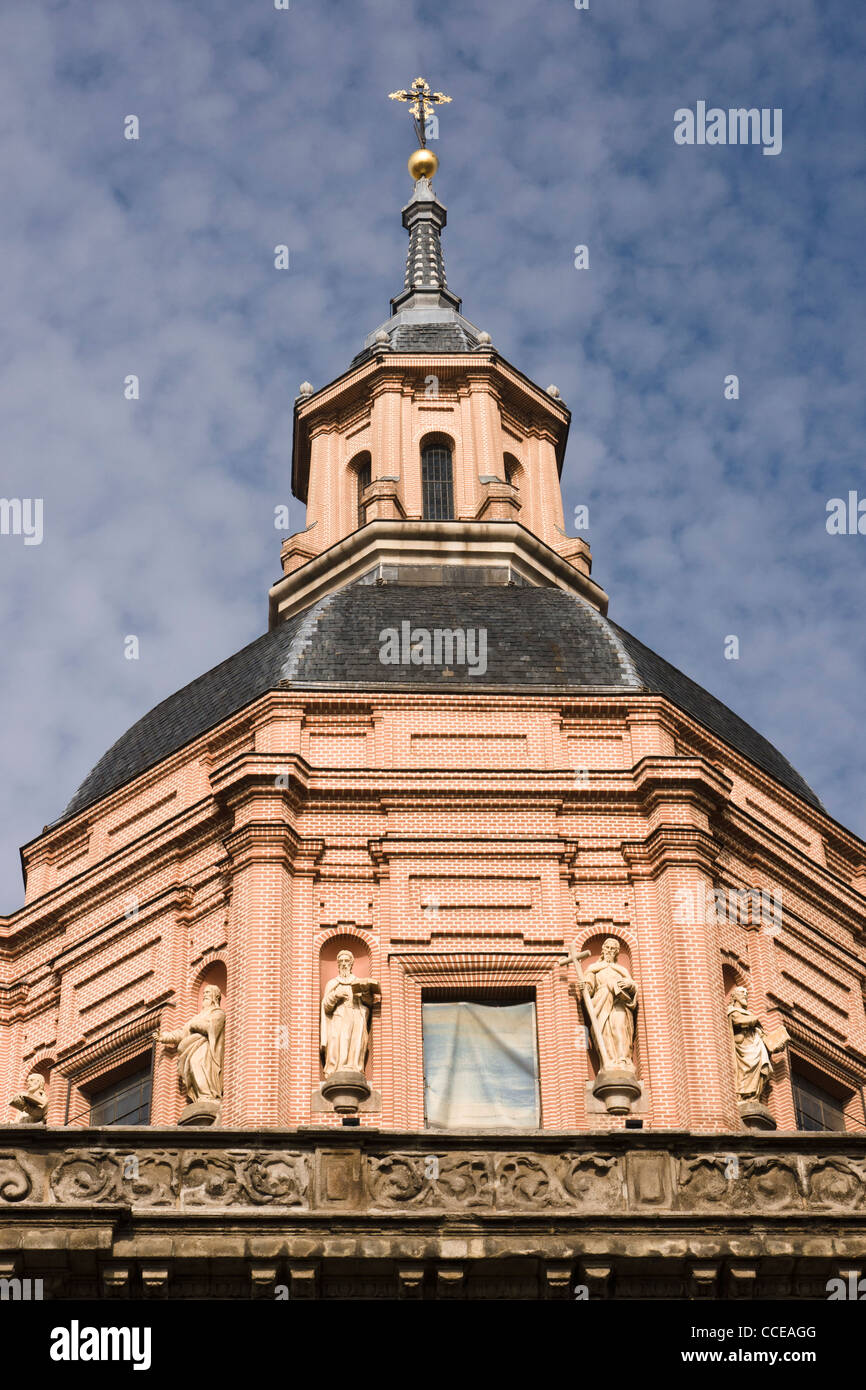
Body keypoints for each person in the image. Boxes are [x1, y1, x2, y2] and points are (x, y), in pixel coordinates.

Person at [156, 984, 225, 1103]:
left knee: (197, 1063)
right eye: (204, 993)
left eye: (208, 993)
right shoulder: (197, 1017)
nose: (204, 996)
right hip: (194, 1048)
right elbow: (182, 1033)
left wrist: (195, 1025)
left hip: (206, 1049)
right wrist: (164, 1037)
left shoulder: (218, 1013)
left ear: (216, 996)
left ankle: (208, 1095)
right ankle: (202, 1096)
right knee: (193, 1067)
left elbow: (212, 1029)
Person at [320, 951, 379, 1077]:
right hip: (339, 1017)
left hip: (356, 1016)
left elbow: (368, 1003)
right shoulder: (332, 983)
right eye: (341, 961)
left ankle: (355, 1068)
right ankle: (337, 1069)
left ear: (352, 964)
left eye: (346, 961)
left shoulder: (358, 982)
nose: (344, 964)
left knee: (356, 1042)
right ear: (337, 964)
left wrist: (365, 994)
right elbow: (326, 1007)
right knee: (339, 1041)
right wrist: (336, 995)